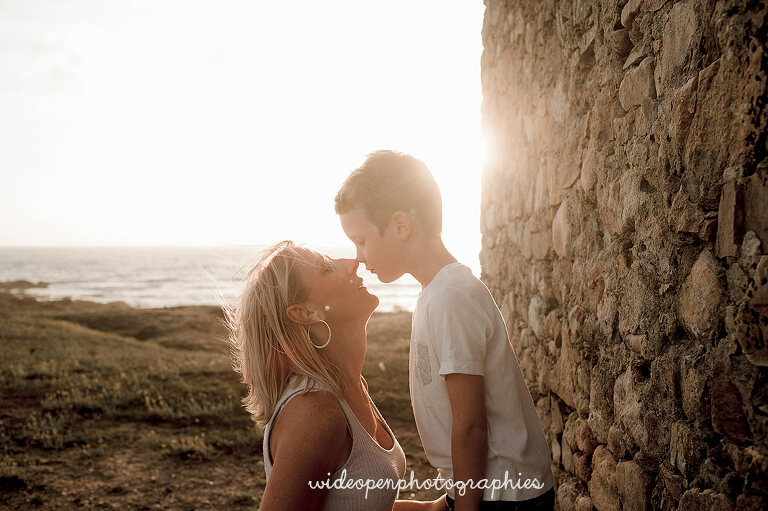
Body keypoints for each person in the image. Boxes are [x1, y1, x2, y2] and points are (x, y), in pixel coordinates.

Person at [335, 151, 556, 511]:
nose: (358, 255)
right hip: (483, 489)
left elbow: (470, 426)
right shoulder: (437, 293)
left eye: (361, 240)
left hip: (504, 495)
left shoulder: (450, 298)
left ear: (401, 226)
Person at [222, 240, 447, 510]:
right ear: (304, 313)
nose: (354, 263)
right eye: (327, 268)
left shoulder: (351, 386)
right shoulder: (314, 412)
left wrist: (435, 508)